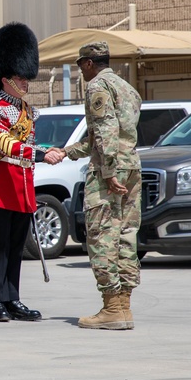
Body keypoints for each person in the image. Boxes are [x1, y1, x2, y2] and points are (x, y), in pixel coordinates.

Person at [0, 22, 62, 323]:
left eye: (26, 76)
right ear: (5, 78)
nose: (26, 82)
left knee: (16, 246)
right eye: (21, 77)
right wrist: (40, 154)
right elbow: (5, 144)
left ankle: (12, 297)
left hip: (22, 186)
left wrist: (51, 150)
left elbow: (28, 143)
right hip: (0, 186)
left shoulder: (27, 112)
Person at [62, 41, 142, 330]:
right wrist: (66, 152)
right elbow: (105, 135)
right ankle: (123, 308)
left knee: (102, 236)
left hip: (111, 172)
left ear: (88, 63)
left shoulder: (97, 86)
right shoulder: (127, 88)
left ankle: (111, 308)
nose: (80, 71)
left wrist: (108, 172)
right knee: (126, 235)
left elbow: (105, 130)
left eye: (79, 66)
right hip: (131, 166)